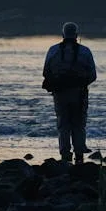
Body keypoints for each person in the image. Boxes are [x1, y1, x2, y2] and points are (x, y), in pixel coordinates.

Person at [42, 22, 97, 164]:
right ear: (77, 35)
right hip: (79, 95)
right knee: (79, 124)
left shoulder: (52, 51)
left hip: (60, 94)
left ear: (63, 34)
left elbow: (46, 72)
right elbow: (92, 75)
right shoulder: (85, 51)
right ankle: (79, 155)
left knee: (63, 124)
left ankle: (65, 156)